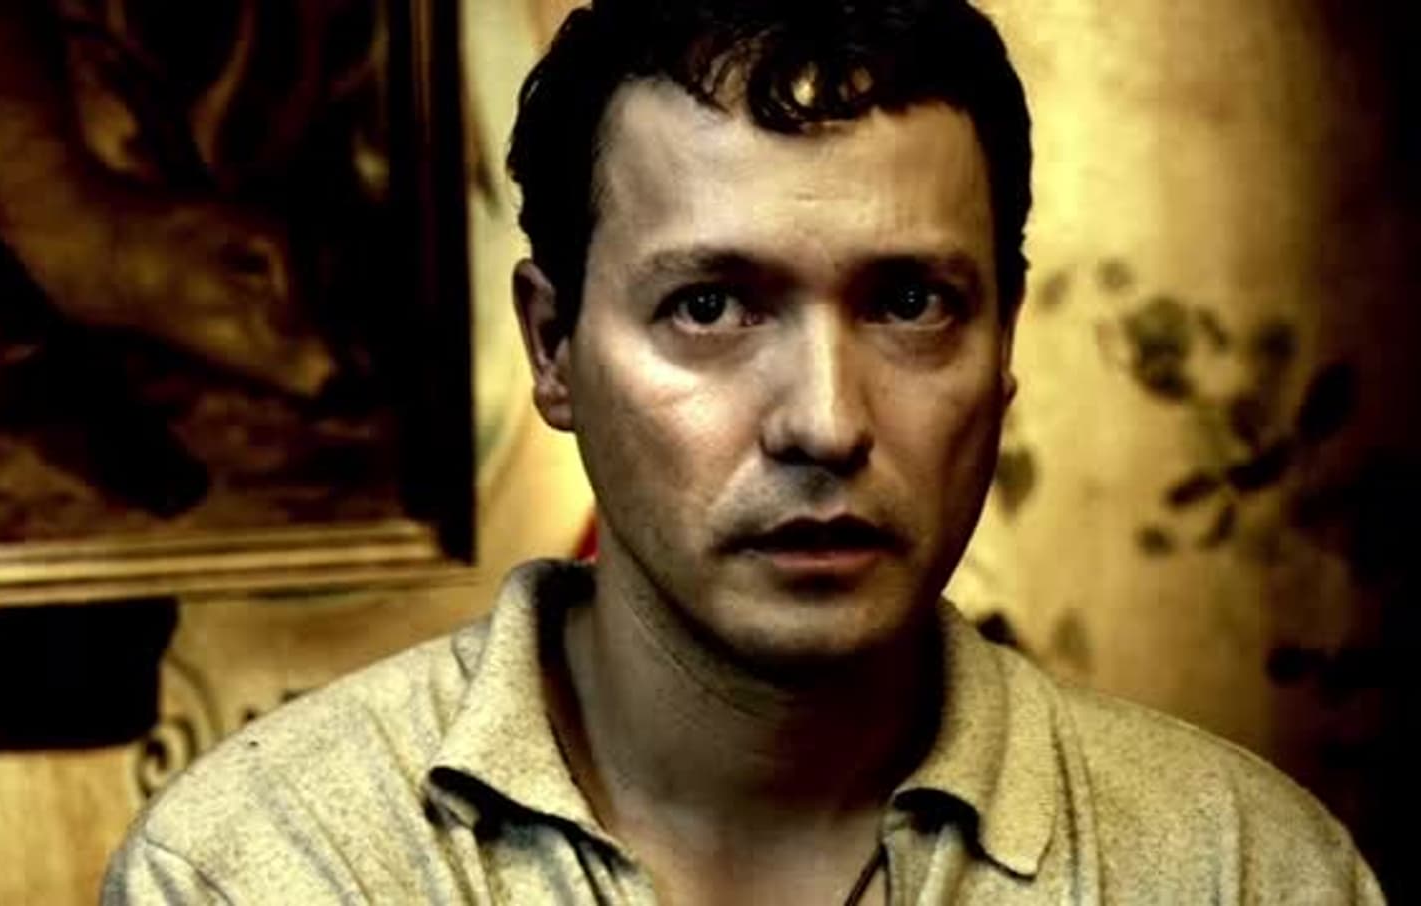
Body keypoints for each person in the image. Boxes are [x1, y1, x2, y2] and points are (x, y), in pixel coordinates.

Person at [103, 0, 1386, 902]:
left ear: (1003, 345)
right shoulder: (262, 871)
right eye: (710, 306)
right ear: (554, 348)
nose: (825, 422)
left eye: (910, 303)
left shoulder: (1244, 871)